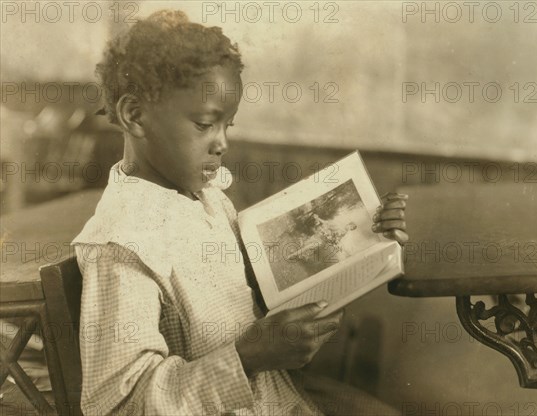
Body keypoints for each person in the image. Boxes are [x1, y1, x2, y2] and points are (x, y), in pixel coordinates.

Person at [72, 10, 409, 415]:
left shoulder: (207, 199)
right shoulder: (122, 244)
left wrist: (365, 236)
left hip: (274, 396)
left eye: (227, 126)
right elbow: (119, 405)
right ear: (135, 115)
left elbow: (263, 293)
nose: (222, 144)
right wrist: (249, 357)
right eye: (204, 124)